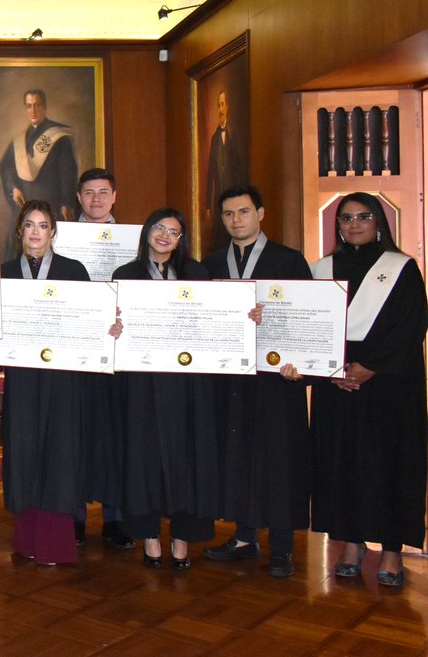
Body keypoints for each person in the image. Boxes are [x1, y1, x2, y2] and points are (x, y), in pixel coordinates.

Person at [296, 192, 426, 587]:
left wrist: (369, 368)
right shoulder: (320, 270)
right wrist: (329, 369)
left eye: (363, 216)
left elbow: (412, 325)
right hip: (336, 388)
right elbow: (307, 324)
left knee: (390, 465)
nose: (354, 224)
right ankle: (350, 544)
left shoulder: (402, 268)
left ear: (379, 221)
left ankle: (391, 551)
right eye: (346, 218)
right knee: (340, 464)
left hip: (389, 388)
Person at [2, 200, 121, 565]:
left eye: (43, 226)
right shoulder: (4, 272)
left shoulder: (74, 270)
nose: (35, 232)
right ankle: (27, 541)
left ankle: (55, 543)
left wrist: (108, 327)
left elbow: (89, 321)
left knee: (59, 452)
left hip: (64, 380)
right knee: (24, 452)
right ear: (20, 231)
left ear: (53, 232)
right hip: (22, 378)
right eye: (29, 225)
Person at [203, 185, 312, 578]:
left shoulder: (289, 260)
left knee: (279, 459)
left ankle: (282, 547)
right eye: (229, 213)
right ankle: (244, 536)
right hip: (230, 379)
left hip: (276, 380)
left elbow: (305, 319)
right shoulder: (211, 263)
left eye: (244, 212)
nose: (236, 220)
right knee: (237, 454)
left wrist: (301, 364)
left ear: (261, 213)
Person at [112, 208, 218, 569]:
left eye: (173, 232)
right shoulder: (125, 275)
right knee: (144, 459)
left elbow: (214, 321)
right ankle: (151, 536)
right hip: (142, 384)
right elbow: (114, 326)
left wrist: (243, 317)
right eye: (159, 227)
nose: (165, 236)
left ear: (180, 240)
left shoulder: (197, 274)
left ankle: (182, 537)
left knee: (186, 458)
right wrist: (114, 329)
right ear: (147, 231)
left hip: (187, 384)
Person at [71, 167, 132, 549]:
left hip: (118, 353)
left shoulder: (135, 242)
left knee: (116, 436)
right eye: (89, 193)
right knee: (74, 436)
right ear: (79, 198)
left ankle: (116, 518)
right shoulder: (61, 240)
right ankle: (74, 517)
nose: (96, 200)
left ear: (114, 196)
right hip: (75, 352)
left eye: (103, 192)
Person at [0, 89, 78, 258]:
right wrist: (13, 188)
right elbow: (5, 167)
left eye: (37, 105)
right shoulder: (20, 139)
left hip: (52, 206)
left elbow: (68, 172)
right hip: (24, 207)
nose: (33, 110)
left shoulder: (59, 137)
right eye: (29, 106)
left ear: (45, 107)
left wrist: (66, 203)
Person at [204, 90, 246, 249]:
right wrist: (208, 205)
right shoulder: (215, 137)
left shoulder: (234, 132)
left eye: (223, 104)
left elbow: (240, 164)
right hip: (219, 195)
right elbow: (210, 173)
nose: (220, 109)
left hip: (234, 191)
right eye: (218, 105)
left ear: (227, 107)